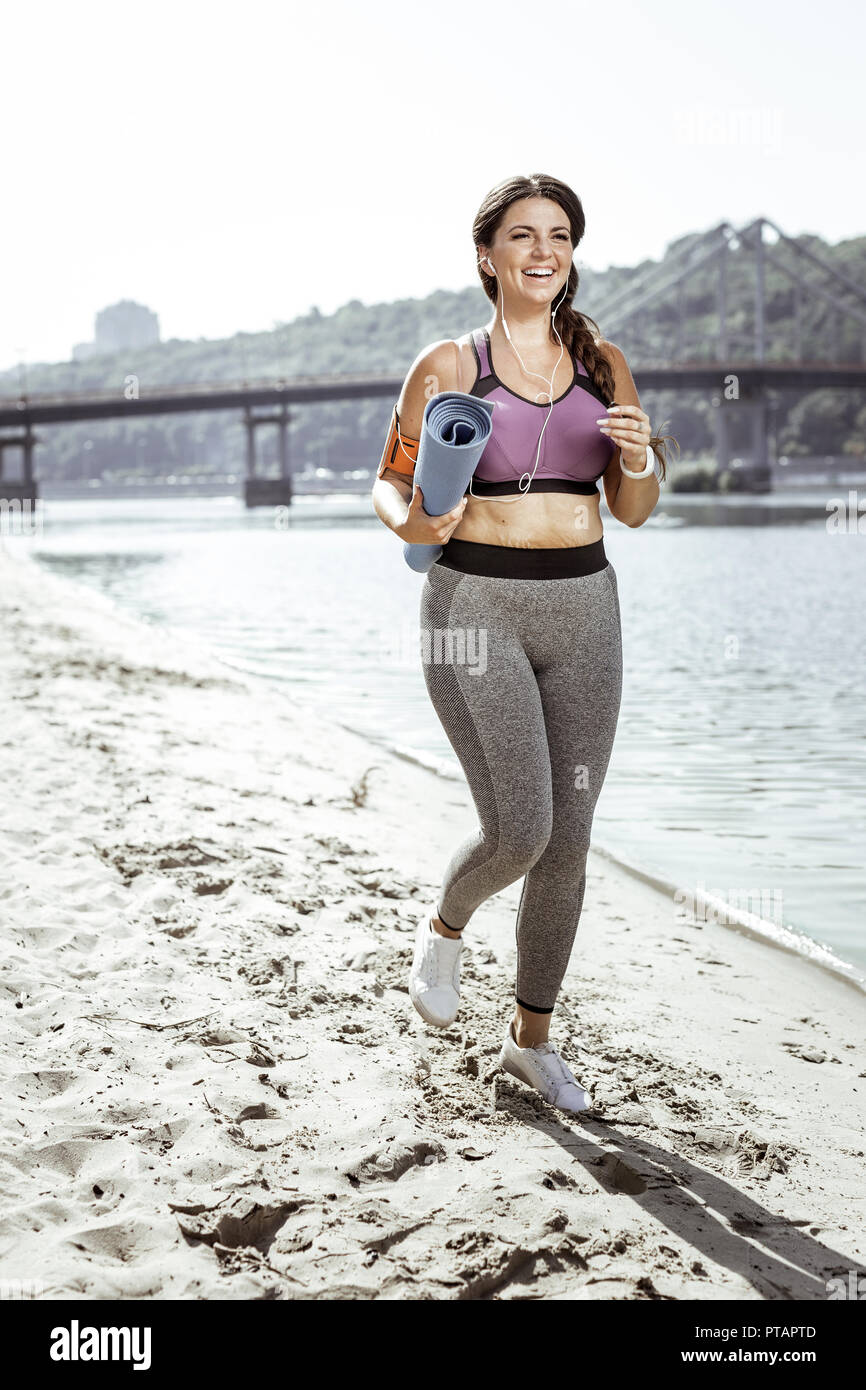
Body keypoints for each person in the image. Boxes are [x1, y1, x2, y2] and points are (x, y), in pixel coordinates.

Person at [370, 173, 675, 1115]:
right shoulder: (450, 364)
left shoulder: (603, 361)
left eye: (559, 235)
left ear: (571, 254)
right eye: (523, 235)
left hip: (585, 609)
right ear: (488, 255)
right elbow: (388, 483)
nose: (543, 250)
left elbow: (634, 510)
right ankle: (446, 925)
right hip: (473, 610)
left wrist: (639, 458)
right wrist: (416, 526)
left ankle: (529, 1042)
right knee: (521, 828)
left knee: (570, 840)